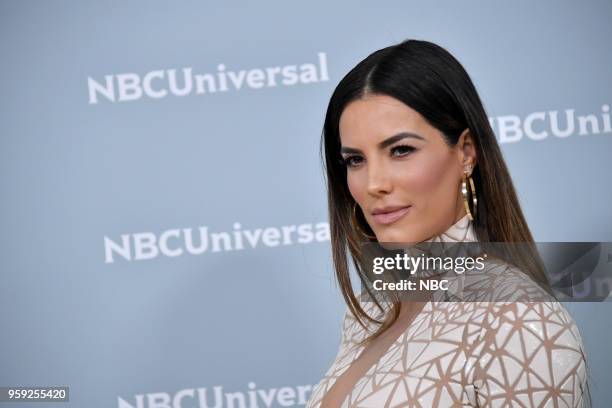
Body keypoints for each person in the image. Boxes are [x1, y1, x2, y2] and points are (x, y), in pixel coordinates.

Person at [306, 39, 590, 407]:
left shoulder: (520, 320)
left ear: (466, 153)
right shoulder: (370, 309)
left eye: (401, 150)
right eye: (355, 160)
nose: (374, 183)